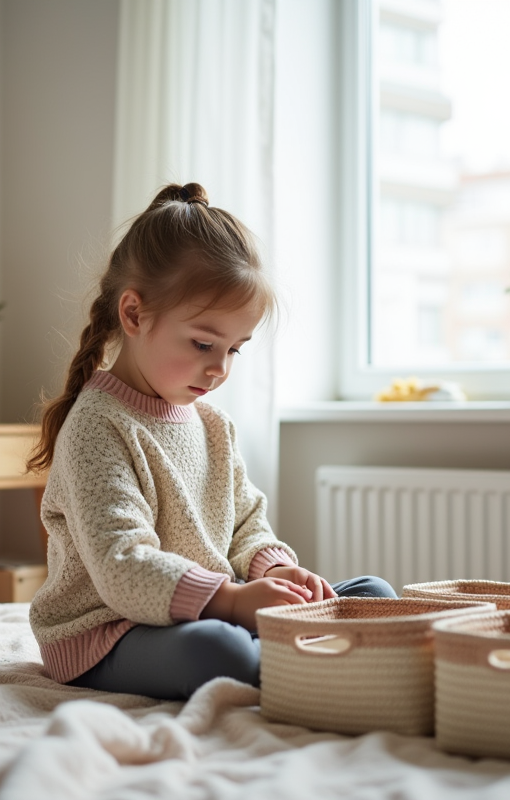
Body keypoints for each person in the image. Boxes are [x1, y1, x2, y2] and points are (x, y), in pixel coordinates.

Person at [26, 182, 396, 700]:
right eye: (203, 344)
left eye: (234, 350)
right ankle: (316, 659)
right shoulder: (96, 427)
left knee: (376, 596)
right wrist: (233, 601)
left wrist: (277, 570)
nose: (220, 368)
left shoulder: (213, 426)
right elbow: (122, 566)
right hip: (110, 632)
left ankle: (309, 649)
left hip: (207, 611)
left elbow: (246, 524)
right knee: (222, 650)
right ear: (133, 314)